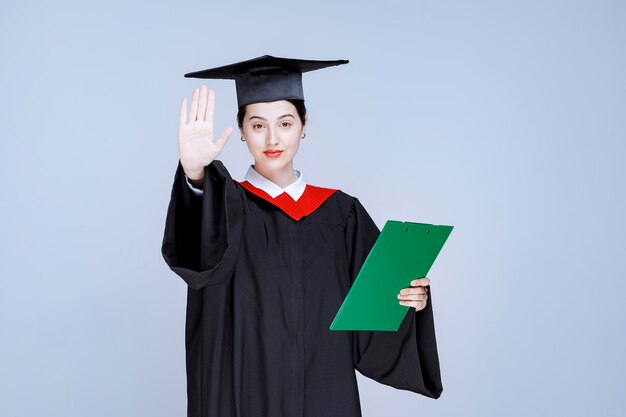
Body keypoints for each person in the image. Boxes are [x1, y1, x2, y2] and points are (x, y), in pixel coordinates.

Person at [161, 55, 442, 417]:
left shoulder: (341, 214)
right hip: (242, 395)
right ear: (241, 129)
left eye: (286, 123)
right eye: (258, 125)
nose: (273, 138)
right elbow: (196, 260)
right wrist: (195, 173)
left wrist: (409, 301)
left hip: (323, 394)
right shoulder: (224, 208)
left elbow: (372, 324)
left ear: (304, 125)